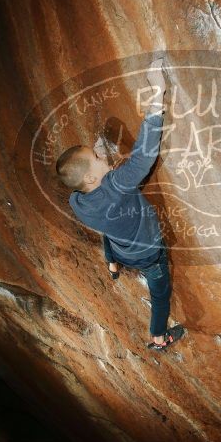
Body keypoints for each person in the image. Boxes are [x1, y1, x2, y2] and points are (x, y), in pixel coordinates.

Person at [56, 58, 184, 351]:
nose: (104, 159)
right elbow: (142, 158)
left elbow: (89, 182)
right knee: (160, 294)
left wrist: (97, 163)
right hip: (147, 254)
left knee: (108, 229)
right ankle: (158, 337)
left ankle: (112, 264)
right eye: (98, 159)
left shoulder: (77, 200)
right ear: (91, 176)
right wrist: (157, 95)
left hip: (122, 246)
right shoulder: (116, 186)